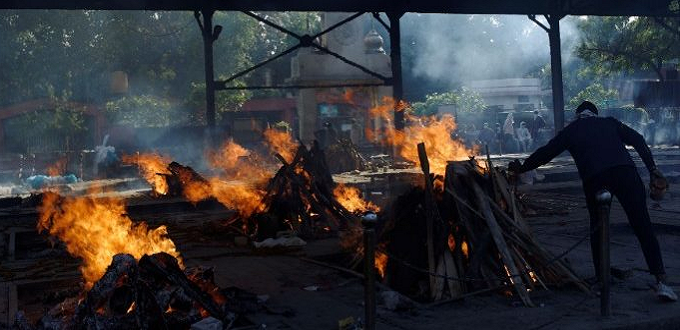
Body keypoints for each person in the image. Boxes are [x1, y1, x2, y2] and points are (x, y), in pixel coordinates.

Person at [508, 101, 677, 302]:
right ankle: (661, 282)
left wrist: (522, 167)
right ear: (595, 114)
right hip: (626, 174)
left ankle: (602, 280)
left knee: (597, 229)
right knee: (643, 226)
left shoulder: (571, 130)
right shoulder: (610, 122)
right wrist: (652, 169)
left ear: (578, 115)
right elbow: (638, 139)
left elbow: (546, 153)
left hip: (595, 179)